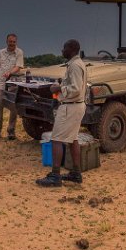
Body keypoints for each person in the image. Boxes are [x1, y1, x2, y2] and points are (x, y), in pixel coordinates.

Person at [36, 39, 87, 187]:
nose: (62, 50)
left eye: (64, 48)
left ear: (71, 49)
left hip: (70, 107)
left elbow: (76, 89)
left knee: (57, 139)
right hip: (76, 106)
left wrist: (58, 89)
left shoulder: (75, 66)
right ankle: (76, 173)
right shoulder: (77, 64)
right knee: (73, 139)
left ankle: (55, 175)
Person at [0, 33, 24, 141]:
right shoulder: (1, 52)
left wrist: (10, 72)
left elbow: (18, 67)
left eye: (14, 42)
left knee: (13, 109)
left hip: (14, 84)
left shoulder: (19, 52)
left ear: (16, 42)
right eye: (10, 41)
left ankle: (11, 131)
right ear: (7, 41)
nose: (12, 44)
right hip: (0, 83)